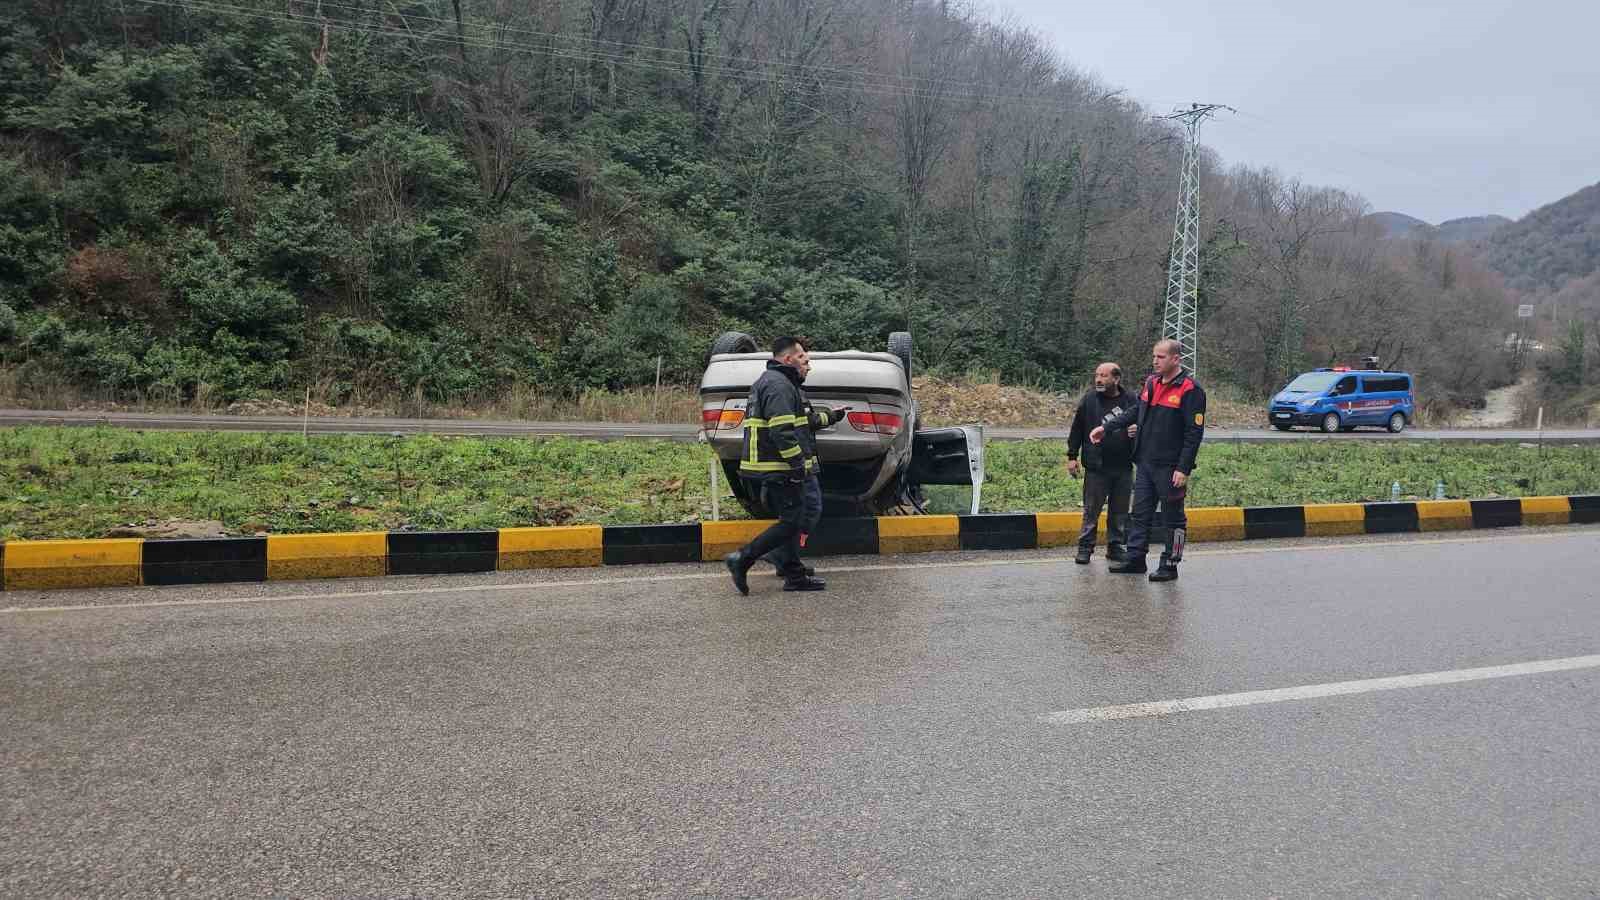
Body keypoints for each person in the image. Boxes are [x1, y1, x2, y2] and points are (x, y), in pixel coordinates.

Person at [724, 336, 846, 595]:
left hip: (778, 465)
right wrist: (797, 464)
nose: (808, 366)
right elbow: (782, 431)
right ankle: (744, 558)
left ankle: (793, 573)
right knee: (792, 521)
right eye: (804, 359)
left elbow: (803, 422)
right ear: (788, 359)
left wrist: (833, 416)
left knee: (794, 518)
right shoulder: (779, 386)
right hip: (778, 466)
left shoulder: (780, 383)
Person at [1090, 339, 1206, 582]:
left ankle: (1170, 564)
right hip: (1145, 462)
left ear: (1175, 359)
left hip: (1170, 467)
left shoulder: (1190, 389)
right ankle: (1135, 559)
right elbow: (1135, 412)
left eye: (1161, 357)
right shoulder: (1151, 383)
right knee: (1140, 514)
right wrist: (1106, 427)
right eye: (1154, 356)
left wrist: (1183, 468)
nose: (1155, 361)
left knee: (1173, 518)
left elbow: (1193, 434)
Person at [1066, 362, 1137, 565]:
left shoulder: (1131, 399)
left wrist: (1136, 430)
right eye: (1097, 375)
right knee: (1091, 510)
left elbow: (1143, 421)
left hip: (1124, 466)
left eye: (1104, 376)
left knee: (1120, 512)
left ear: (1116, 379)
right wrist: (1072, 456)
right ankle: (1085, 548)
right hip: (1097, 466)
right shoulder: (1089, 400)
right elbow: (1077, 429)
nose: (1098, 379)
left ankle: (1115, 547)